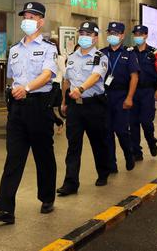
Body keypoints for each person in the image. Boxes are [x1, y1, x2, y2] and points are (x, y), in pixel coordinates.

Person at [0, 1, 58, 224]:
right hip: (17, 108)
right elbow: (13, 77)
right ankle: (6, 208)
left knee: (43, 155)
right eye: (25, 16)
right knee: (14, 158)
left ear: (41, 21)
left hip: (38, 106)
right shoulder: (15, 50)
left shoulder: (49, 48)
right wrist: (18, 91)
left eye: (33, 16)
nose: (28, 20)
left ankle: (47, 197)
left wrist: (26, 88)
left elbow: (47, 75)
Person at [57, 21, 111, 196]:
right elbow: (67, 80)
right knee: (73, 145)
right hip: (75, 108)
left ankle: (103, 172)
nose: (84, 37)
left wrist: (80, 90)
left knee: (98, 142)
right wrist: (64, 101)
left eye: (88, 34)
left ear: (95, 38)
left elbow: (95, 77)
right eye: (82, 34)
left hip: (94, 105)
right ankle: (71, 183)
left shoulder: (100, 57)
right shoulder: (72, 57)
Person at [101, 22, 139, 173]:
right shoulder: (102, 53)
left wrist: (129, 97)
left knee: (121, 130)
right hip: (105, 96)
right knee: (107, 131)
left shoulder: (129, 54)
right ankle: (111, 164)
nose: (112, 36)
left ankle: (129, 155)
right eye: (110, 32)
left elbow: (134, 77)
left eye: (116, 33)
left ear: (122, 36)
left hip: (121, 95)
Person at [130, 25, 157, 161]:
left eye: (140, 34)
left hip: (148, 91)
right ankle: (136, 152)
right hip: (133, 91)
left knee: (146, 122)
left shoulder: (154, 52)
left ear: (145, 35)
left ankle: (151, 142)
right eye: (135, 34)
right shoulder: (130, 52)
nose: (137, 36)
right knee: (132, 123)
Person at [49, 37, 65, 129]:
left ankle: (58, 122)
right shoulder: (46, 58)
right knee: (46, 107)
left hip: (55, 85)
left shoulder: (60, 58)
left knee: (48, 107)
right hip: (45, 85)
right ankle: (57, 123)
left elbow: (64, 71)